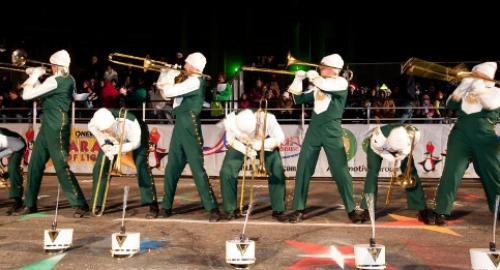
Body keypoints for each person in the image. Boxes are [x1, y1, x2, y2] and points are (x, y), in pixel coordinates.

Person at [286, 53, 363, 223]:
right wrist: (298, 79)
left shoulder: (341, 83)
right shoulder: (320, 85)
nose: (319, 68)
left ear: (332, 68)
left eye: (322, 66)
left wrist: (313, 77)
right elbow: (297, 99)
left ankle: (351, 209)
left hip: (332, 130)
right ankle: (298, 208)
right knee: (303, 167)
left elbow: (324, 84)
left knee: (340, 171)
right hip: (314, 129)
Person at [21, 50, 89, 217]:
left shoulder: (54, 80)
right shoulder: (69, 79)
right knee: (35, 163)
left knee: (60, 165)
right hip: (48, 126)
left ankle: (80, 203)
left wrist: (34, 76)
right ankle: (30, 203)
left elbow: (26, 95)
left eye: (52, 65)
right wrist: (35, 78)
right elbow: (74, 96)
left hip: (57, 127)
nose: (50, 68)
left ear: (57, 66)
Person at [156, 52, 221, 221]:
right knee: (171, 167)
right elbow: (165, 94)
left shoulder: (194, 81)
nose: (184, 66)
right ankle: (166, 206)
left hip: (190, 125)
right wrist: (164, 74)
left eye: (186, 64)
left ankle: (212, 207)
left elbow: (169, 92)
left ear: (194, 66)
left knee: (197, 168)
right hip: (180, 125)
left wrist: (169, 74)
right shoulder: (188, 80)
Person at [433, 62, 500, 225]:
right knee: (451, 173)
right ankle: (442, 210)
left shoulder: (496, 91)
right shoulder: (467, 88)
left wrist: (476, 86)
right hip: (460, 134)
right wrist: (463, 86)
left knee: (494, 174)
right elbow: (450, 103)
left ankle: (499, 208)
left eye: (475, 74)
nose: (472, 76)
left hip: (485, 136)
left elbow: (489, 104)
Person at [88, 108, 159, 218]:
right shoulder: (94, 123)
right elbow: (98, 133)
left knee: (141, 164)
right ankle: (97, 203)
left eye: (107, 129)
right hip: (111, 139)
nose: (104, 132)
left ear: (114, 123)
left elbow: (135, 144)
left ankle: (152, 203)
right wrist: (104, 146)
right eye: (102, 130)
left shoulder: (131, 123)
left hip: (136, 137)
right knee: (100, 166)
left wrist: (118, 149)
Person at [220, 109, 286, 220]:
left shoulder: (268, 118)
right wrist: (245, 149)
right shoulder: (231, 119)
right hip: (241, 144)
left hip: (264, 142)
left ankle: (278, 209)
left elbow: (280, 138)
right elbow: (230, 139)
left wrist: (261, 145)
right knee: (226, 172)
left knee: (277, 170)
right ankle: (229, 209)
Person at [360, 124, 429, 223]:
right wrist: (393, 159)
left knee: (410, 172)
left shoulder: (412, 134)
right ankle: (367, 209)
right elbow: (381, 151)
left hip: (402, 147)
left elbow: (405, 151)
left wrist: (399, 158)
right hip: (378, 148)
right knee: (372, 173)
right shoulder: (378, 140)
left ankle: (421, 208)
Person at [0, 128, 26, 215]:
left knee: (13, 168)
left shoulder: (2, 139)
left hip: (18, 145)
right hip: (8, 146)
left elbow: (18, 146)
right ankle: (8, 173)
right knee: (10, 170)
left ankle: (18, 201)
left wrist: (9, 171)